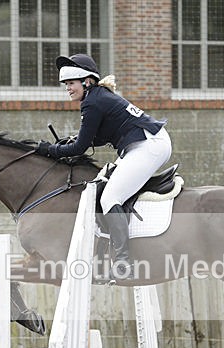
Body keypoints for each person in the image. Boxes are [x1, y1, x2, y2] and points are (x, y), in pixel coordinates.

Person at [36, 53, 172, 280]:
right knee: (101, 187)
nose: (67, 89)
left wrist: (49, 150)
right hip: (142, 144)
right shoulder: (97, 96)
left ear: (86, 82)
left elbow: (81, 148)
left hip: (149, 146)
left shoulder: (92, 102)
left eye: (71, 83)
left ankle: (123, 264)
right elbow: (92, 139)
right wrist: (69, 142)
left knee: (110, 198)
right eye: (66, 85)